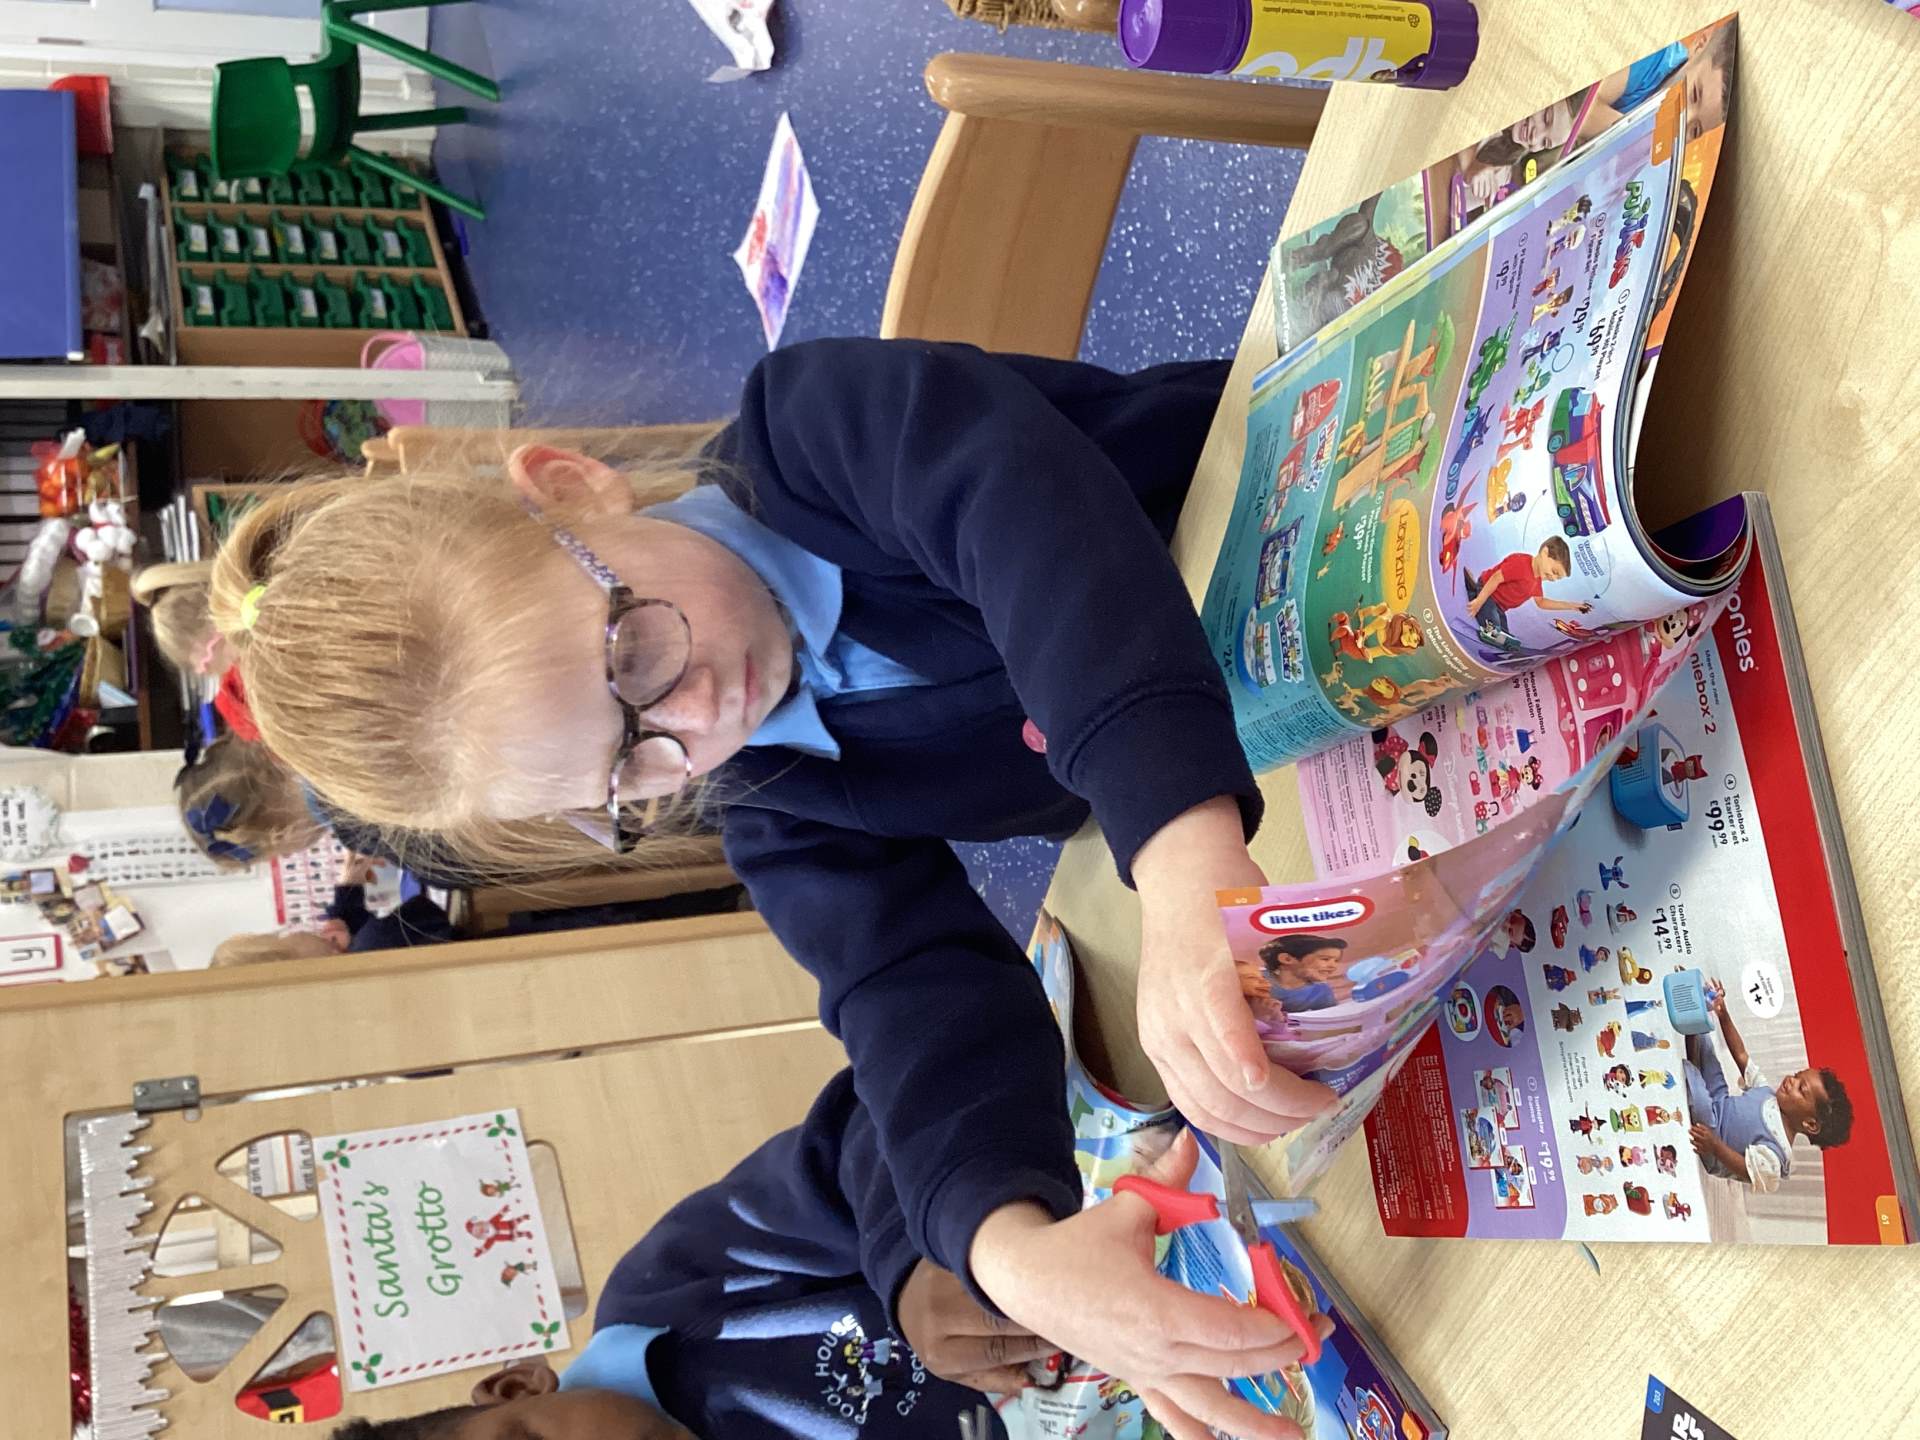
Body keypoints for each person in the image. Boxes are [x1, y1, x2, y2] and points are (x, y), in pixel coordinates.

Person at [208, 338, 1334, 1394]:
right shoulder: (771, 796)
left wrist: (1177, 848)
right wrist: (1006, 1245)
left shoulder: (810, 430)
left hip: (1331, 510)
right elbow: (907, 991)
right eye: (630, 768)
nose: (694, 716)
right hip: (1310, 779)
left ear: (571, 487)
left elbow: (1035, 527)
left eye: (634, 653)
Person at [324, 1074, 1329, 1440]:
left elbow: (863, 1127)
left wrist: (921, 1258)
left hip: (1154, 1223)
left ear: (514, 1387)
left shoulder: (674, 1292)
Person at [1685, 977, 1853, 1191]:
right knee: (1708, 1053)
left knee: (1699, 1098)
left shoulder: (1777, 1153)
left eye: (1801, 1089)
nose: (1791, 1080)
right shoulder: (1767, 1093)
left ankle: (1689, 1071)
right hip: (1719, 1101)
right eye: (1797, 1075)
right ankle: (1695, 1013)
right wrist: (1723, 1014)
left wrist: (1715, 1146)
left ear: (1810, 1124)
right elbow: (1741, 1054)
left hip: (1713, 1138)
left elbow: (1746, 1170)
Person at [1465, 538, 1591, 632]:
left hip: (1499, 607)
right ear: (1545, 552)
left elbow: (1541, 603)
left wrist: (1571, 606)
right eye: (1554, 572)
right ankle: (1475, 592)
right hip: (1488, 592)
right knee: (1492, 627)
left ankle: (1475, 592)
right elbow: (1496, 578)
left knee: (1504, 633)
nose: (1553, 578)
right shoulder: (1521, 564)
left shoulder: (1536, 581)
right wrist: (1479, 602)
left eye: (1557, 578)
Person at [1257, 933, 1349, 1013]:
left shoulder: (1321, 990)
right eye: (1325, 959)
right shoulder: (1258, 978)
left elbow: (1328, 1017)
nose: (1333, 966)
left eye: (1336, 961)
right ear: (1287, 959)